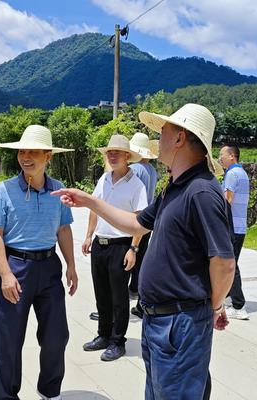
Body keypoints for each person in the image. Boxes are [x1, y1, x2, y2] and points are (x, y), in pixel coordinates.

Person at [53, 103, 235, 400]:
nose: (158, 139)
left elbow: (224, 263)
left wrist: (212, 308)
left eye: (163, 132)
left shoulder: (201, 191)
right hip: (161, 321)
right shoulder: (174, 187)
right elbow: (136, 223)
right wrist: (90, 202)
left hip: (180, 322)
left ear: (179, 139)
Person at [0, 125, 78, 400]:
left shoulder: (58, 191)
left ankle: (50, 390)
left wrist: (71, 265)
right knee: (9, 338)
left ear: (48, 156)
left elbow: (63, 229)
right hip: (16, 267)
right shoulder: (3, 190)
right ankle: (5, 395)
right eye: (22, 151)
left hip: (49, 268)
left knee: (56, 336)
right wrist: (5, 274)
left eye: (33, 151)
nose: (26, 156)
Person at [82, 135, 147, 361]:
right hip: (100, 243)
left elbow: (140, 220)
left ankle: (118, 341)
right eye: (109, 152)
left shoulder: (136, 185)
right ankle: (103, 335)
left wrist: (134, 249)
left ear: (127, 157)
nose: (111, 156)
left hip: (121, 245)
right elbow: (94, 208)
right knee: (101, 294)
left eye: (117, 152)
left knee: (119, 298)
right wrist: (89, 235)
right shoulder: (104, 179)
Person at [128, 132, 158, 318]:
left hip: (134, 219)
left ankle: (130, 292)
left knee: (129, 254)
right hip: (148, 219)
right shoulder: (152, 170)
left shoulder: (134, 169)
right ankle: (136, 290)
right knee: (141, 257)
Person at [219, 144, 250, 320]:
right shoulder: (242, 173)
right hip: (240, 226)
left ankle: (239, 306)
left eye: (222, 155)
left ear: (232, 156)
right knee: (231, 263)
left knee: (231, 266)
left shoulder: (231, 174)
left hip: (232, 226)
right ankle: (230, 297)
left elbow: (227, 201)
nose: (219, 158)